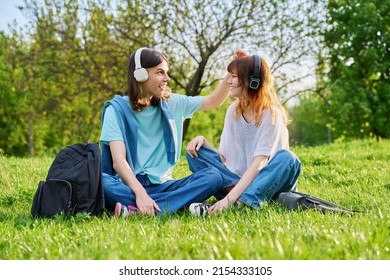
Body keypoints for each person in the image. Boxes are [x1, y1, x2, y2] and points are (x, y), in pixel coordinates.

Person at [100, 47, 233, 216]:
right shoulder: (116, 110)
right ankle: (170, 203)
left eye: (166, 73)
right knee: (101, 182)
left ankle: (142, 210)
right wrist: (140, 193)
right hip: (129, 185)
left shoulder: (173, 103)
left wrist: (232, 72)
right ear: (140, 74)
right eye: (160, 72)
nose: (167, 78)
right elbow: (119, 162)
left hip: (164, 184)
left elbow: (214, 100)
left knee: (213, 176)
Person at [186, 51, 301, 215]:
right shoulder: (233, 111)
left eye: (233, 76)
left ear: (252, 81)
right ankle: (242, 197)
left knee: (288, 158)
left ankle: (239, 204)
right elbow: (224, 158)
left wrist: (228, 200)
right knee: (195, 153)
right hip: (237, 182)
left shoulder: (270, 114)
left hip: (269, 183)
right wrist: (204, 142)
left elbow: (259, 164)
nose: (228, 81)